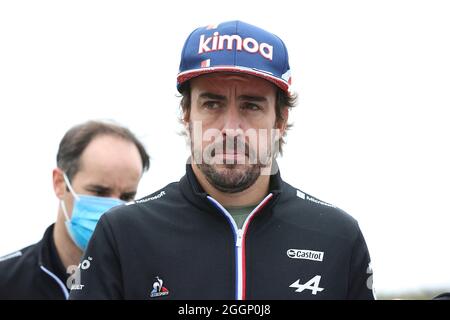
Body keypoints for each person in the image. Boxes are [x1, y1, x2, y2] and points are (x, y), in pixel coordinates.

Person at [69, 20, 375, 300]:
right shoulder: (122, 234)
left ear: (280, 119)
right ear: (187, 114)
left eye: (251, 106)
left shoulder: (338, 237)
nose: (230, 128)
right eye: (212, 103)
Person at [0, 120, 150, 299]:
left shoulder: (150, 282)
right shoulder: (6, 282)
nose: (113, 210)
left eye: (126, 197)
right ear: (60, 183)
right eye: (99, 192)